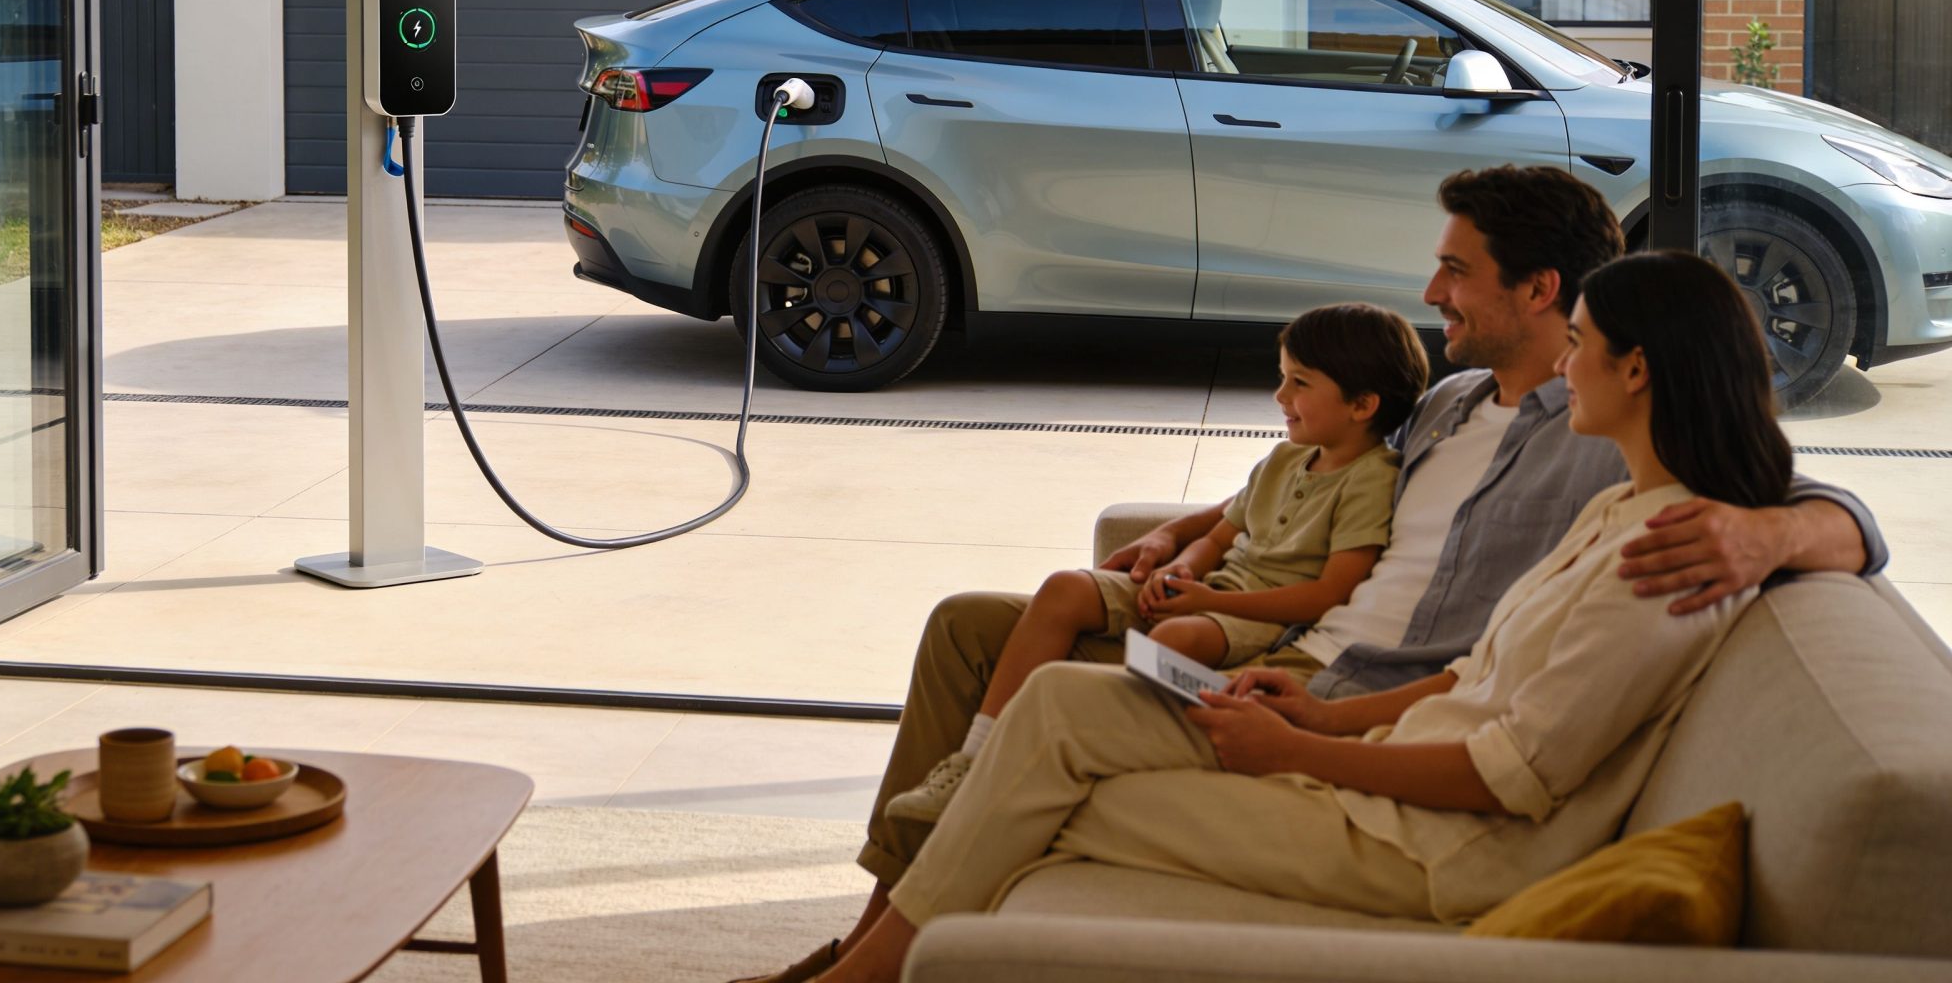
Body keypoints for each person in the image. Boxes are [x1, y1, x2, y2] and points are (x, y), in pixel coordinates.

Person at [733, 166, 1887, 983]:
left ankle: (874, 963)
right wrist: (1189, 530)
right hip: (1313, 671)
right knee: (969, 630)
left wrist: (1774, 538)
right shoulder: (1441, 403)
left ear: (1546, 299)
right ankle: (873, 927)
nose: (1429, 294)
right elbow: (1302, 471)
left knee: (1051, 721)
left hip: (1342, 688)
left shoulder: (1616, 469)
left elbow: (1800, 503)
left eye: (1454, 271)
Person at [879, 302, 1428, 827]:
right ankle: (973, 758)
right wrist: (1181, 568)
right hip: (1207, 590)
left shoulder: (1372, 479)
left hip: (1250, 618)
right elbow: (1217, 535)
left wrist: (1209, 601)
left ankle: (1053, 752)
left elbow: (1330, 593)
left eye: (1300, 383)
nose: (1280, 394)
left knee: (1181, 640)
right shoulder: (1285, 459)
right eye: (1283, 377)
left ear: (1362, 404)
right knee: (1064, 588)